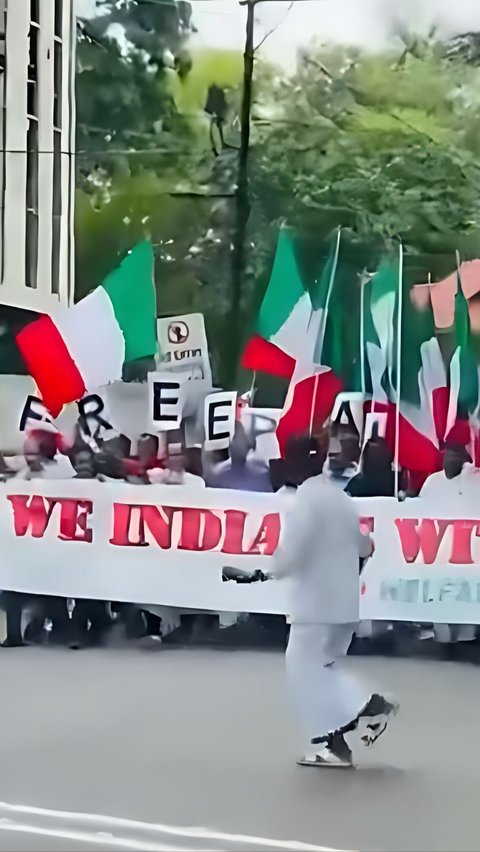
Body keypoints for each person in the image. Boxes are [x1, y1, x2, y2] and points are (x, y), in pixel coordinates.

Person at [273, 473, 399, 767]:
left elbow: (293, 551)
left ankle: (366, 704)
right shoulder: (341, 499)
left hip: (316, 604)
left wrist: (272, 568)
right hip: (344, 605)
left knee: (304, 669)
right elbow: (365, 546)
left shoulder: (306, 500)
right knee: (320, 668)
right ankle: (336, 746)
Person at [420, 443, 479, 647]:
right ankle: (441, 637)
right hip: (438, 551)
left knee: (467, 595)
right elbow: (419, 513)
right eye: (447, 455)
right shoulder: (432, 482)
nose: (449, 460)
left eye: (456, 456)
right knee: (440, 595)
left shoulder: (475, 480)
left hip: (470, 552)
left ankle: (466, 636)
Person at [205, 422, 272, 492]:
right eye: (233, 438)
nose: (234, 443)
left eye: (238, 437)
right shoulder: (216, 477)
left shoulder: (263, 475)